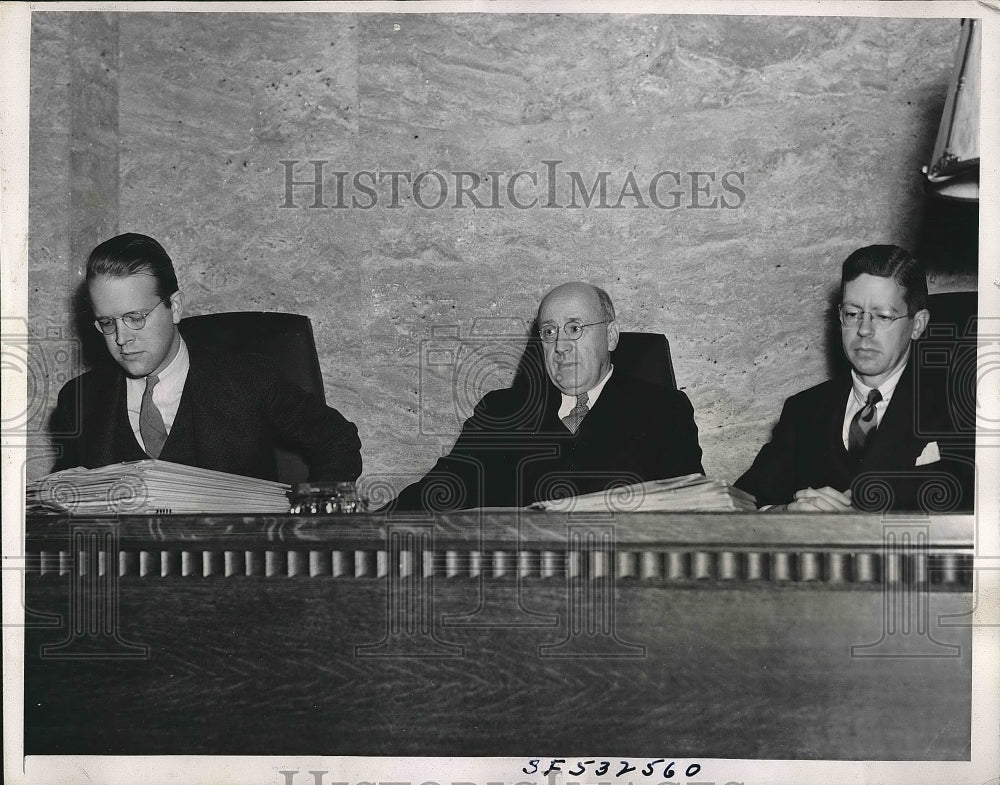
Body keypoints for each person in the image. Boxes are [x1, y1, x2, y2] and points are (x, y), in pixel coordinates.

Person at [50, 233, 362, 482]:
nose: (121, 337)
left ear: (175, 307)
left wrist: (308, 525)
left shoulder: (249, 380)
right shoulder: (79, 400)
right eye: (107, 322)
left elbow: (338, 440)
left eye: (135, 317)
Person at [386, 282, 704, 510]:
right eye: (549, 332)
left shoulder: (664, 411)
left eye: (575, 328)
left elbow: (694, 509)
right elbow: (443, 489)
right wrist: (361, 527)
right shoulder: (501, 412)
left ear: (610, 336)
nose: (560, 346)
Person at [735, 245, 974, 512]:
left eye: (882, 316)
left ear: (917, 325)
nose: (864, 330)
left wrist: (860, 527)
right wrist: (785, 516)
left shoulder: (963, 405)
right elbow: (742, 503)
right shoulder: (804, 410)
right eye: (852, 314)